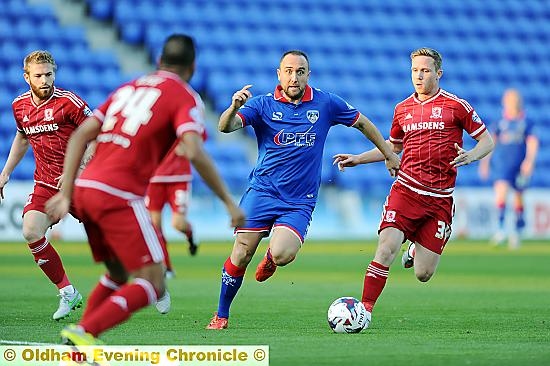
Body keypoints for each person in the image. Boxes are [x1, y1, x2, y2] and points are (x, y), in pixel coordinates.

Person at [45, 34, 245, 345]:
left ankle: (77, 349)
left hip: (85, 190)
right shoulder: (185, 95)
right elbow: (193, 149)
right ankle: (85, 333)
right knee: (153, 282)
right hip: (119, 194)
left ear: (158, 61)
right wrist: (228, 202)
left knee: (117, 274)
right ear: (192, 67)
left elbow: (80, 135)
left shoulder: (128, 89)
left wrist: (66, 192)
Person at [206, 50, 401, 330]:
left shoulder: (325, 103)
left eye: (300, 71)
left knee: (284, 253)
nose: (294, 77)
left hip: (298, 200)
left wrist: (388, 154)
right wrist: (234, 106)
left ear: (308, 74)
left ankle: (272, 258)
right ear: (279, 74)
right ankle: (221, 314)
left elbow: (362, 122)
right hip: (262, 191)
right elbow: (225, 127)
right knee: (241, 254)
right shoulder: (262, 105)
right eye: (288, 71)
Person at [333, 47, 495, 324]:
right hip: (406, 190)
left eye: (425, 70)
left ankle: (414, 247)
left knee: (423, 273)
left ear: (438, 73)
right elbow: (393, 147)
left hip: (440, 199)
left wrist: (471, 156)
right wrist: (359, 158)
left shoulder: (457, 106)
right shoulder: (402, 109)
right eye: (415, 71)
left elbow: (487, 141)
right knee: (385, 248)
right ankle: (365, 311)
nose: (419, 76)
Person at [0, 50, 93, 321]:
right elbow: (22, 138)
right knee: (31, 230)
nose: (44, 80)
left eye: (49, 74)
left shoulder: (69, 102)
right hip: (47, 184)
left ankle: (152, 280)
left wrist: (77, 169)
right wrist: (5, 172)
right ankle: (67, 291)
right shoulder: (19, 106)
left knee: (115, 239)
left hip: (81, 183)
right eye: (38, 75)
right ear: (26, 77)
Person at [479, 88, 539, 249]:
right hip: (502, 164)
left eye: (514, 100)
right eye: (509, 100)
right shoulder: (500, 123)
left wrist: (529, 161)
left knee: (518, 196)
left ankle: (517, 230)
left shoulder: (526, 122)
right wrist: (485, 163)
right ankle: (500, 229)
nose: (512, 103)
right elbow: (491, 143)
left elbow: (533, 143)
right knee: (501, 193)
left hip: (519, 165)